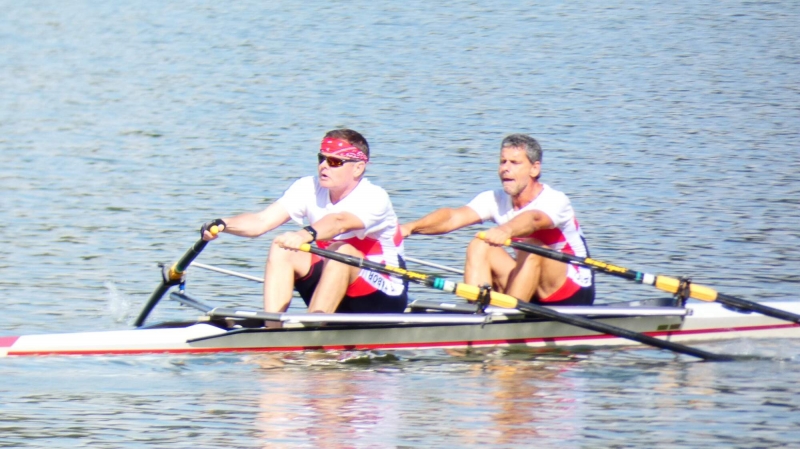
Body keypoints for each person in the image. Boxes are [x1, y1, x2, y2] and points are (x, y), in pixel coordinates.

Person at [202, 129, 408, 318]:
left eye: (334, 161)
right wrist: (222, 224)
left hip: (383, 295)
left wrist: (303, 235)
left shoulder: (374, 197)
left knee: (341, 251)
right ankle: (272, 329)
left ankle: (313, 331)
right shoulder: (307, 188)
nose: (323, 166)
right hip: (334, 284)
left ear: (358, 168)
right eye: (321, 158)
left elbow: (339, 222)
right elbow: (260, 221)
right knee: (281, 247)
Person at [400, 134, 594, 306]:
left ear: (534, 169)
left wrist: (506, 230)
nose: (505, 169)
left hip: (573, 288)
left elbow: (533, 219)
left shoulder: (555, 200)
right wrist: (410, 227)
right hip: (531, 283)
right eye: (502, 162)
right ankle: (477, 312)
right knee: (480, 244)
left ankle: (505, 317)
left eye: (514, 163)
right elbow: (452, 217)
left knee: (532, 247)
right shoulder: (494, 199)